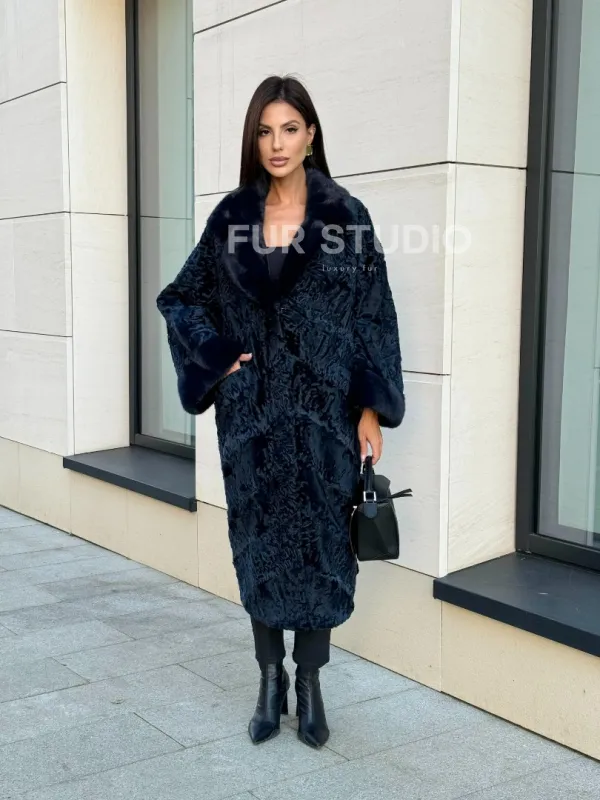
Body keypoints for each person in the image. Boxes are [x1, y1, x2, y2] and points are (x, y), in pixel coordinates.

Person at [156, 75, 405, 749]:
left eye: (289, 129)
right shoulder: (232, 218)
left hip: (326, 421)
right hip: (253, 423)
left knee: (324, 547)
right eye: (265, 131)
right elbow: (182, 298)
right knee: (259, 545)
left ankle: (311, 683)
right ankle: (270, 679)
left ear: (311, 135)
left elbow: (373, 315)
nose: (277, 143)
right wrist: (218, 359)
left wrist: (371, 409)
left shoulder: (345, 218)